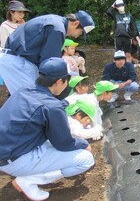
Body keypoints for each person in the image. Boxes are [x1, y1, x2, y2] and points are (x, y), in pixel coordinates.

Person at [0, 57, 94, 200]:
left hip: (8, 152)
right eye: (67, 80)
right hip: (14, 160)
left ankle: (29, 175)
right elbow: (64, 143)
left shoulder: (22, 91)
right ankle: (28, 181)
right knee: (86, 159)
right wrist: (84, 143)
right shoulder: (51, 106)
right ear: (59, 81)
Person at [0, 10, 95, 95]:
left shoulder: (55, 21)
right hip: (18, 61)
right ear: (76, 23)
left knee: (28, 100)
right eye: (81, 32)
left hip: (15, 58)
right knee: (32, 100)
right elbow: (49, 64)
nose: (78, 36)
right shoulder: (57, 29)